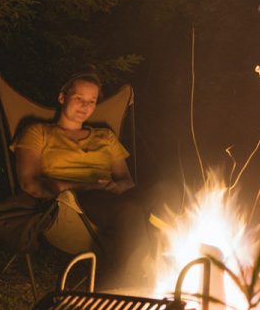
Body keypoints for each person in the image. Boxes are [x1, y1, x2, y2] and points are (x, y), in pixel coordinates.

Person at [11, 71, 154, 287]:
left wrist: (117, 186)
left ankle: (173, 278)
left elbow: (127, 181)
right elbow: (29, 183)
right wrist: (79, 186)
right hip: (71, 205)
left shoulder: (105, 136)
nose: (85, 106)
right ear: (62, 97)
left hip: (111, 199)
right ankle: (116, 288)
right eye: (79, 99)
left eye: (92, 101)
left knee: (165, 193)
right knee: (131, 213)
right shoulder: (38, 132)